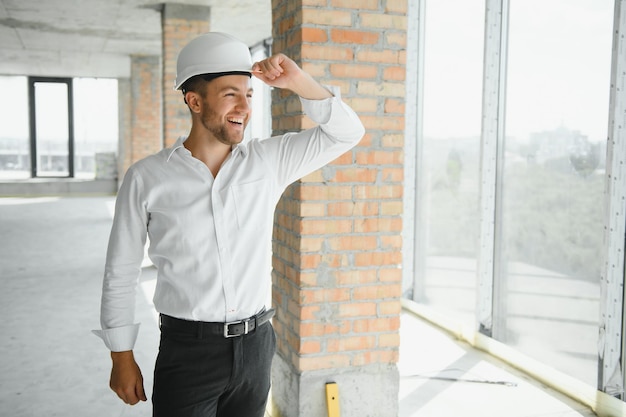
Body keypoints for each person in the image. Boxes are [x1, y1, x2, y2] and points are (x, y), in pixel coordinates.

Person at [93, 32, 365, 417]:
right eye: (230, 94)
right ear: (194, 100)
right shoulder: (148, 177)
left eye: (249, 94)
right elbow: (120, 271)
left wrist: (298, 81)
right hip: (188, 351)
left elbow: (347, 133)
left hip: (256, 347)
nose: (244, 106)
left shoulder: (268, 161)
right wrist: (121, 355)